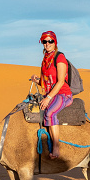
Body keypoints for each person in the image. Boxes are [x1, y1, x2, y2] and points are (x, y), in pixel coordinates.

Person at [31, 31, 72, 159]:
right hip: (51, 94)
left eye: (50, 41)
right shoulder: (45, 60)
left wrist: (48, 98)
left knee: (50, 113)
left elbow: (60, 82)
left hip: (63, 94)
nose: (47, 44)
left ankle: (56, 147)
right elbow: (45, 83)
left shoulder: (59, 57)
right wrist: (36, 80)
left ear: (55, 42)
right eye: (45, 41)